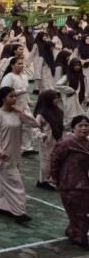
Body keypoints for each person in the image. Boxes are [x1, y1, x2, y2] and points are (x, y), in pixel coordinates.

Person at [0, 86, 39, 223]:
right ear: (3, 98)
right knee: (16, 184)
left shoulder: (17, 114)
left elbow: (35, 124)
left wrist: (22, 113)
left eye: (15, 96)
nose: (14, 98)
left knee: (6, 183)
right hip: (4, 156)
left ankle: (0, 206)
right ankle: (19, 212)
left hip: (16, 155)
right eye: (11, 96)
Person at [50, 115, 89, 249]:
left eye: (86, 125)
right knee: (80, 213)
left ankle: (73, 231)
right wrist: (55, 177)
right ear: (73, 128)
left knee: (78, 212)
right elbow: (55, 160)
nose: (84, 128)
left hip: (84, 183)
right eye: (80, 125)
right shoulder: (66, 143)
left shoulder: (87, 144)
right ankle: (79, 237)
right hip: (69, 184)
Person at [33, 90, 63, 190]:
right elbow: (35, 127)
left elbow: (61, 124)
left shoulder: (57, 110)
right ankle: (43, 181)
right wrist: (40, 135)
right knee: (46, 160)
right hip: (46, 140)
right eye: (54, 98)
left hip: (56, 139)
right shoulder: (41, 113)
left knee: (54, 160)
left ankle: (51, 179)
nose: (56, 100)